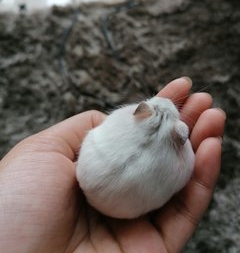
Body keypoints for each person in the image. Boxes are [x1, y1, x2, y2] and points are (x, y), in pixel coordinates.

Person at [0, 77, 225, 253]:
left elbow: (111, 124)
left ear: (142, 110)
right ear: (180, 133)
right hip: (131, 210)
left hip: (90, 181)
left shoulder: (132, 115)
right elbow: (184, 167)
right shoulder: (181, 138)